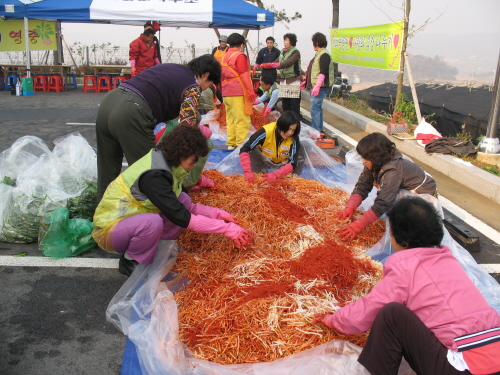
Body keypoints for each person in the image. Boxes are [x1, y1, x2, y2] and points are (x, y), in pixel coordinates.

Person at [314, 196, 500, 375]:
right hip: (493, 358)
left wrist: (334, 319)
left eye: (391, 234)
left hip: (463, 368)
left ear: (404, 240)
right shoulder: (449, 261)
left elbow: (370, 308)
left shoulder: (406, 266)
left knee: (392, 314)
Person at [93, 125, 252, 277]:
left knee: (182, 198)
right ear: (181, 155)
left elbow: (185, 207)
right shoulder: (154, 176)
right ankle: (130, 260)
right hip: (110, 229)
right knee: (151, 222)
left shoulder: (169, 164)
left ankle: (162, 248)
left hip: (133, 217)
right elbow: (183, 217)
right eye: (193, 159)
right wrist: (226, 229)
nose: (195, 164)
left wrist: (217, 213)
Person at [95, 54, 221, 202]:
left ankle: (101, 217)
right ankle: (159, 216)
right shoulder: (193, 86)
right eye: (209, 84)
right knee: (152, 172)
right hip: (131, 112)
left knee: (107, 169)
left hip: (109, 103)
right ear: (205, 74)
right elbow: (186, 128)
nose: (206, 89)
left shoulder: (171, 68)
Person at [337, 132, 437, 241]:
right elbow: (363, 185)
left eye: (366, 157)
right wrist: (350, 206)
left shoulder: (393, 171)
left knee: (406, 228)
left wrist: (357, 226)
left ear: (376, 156)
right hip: (402, 191)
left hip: (421, 196)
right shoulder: (376, 162)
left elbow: (383, 202)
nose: (363, 160)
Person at [239, 111, 301, 183]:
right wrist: (247, 171)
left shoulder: (294, 138)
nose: (290, 133)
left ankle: (292, 176)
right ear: (281, 125)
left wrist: (276, 175)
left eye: (293, 130)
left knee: (304, 145)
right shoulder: (266, 132)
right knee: (258, 181)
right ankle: (259, 170)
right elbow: (245, 149)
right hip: (263, 159)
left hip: (283, 163)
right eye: (288, 129)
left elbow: (293, 162)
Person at [221, 33, 256, 150]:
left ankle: (231, 142)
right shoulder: (240, 56)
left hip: (226, 92)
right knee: (241, 119)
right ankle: (241, 144)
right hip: (237, 91)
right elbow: (244, 75)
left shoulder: (224, 56)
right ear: (241, 45)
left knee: (230, 118)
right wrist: (251, 91)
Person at [260, 33, 302, 118]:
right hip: (284, 79)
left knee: (293, 104)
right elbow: (277, 61)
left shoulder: (295, 52)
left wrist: (273, 65)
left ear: (291, 41)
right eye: (284, 40)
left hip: (292, 80)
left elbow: (287, 63)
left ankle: (296, 122)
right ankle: (287, 122)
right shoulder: (283, 51)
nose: (285, 42)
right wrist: (268, 64)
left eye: (286, 40)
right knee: (285, 104)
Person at [302, 32, 334, 132]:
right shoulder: (319, 54)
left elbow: (323, 71)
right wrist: (307, 82)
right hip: (316, 86)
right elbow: (313, 71)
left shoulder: (324, 55)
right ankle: (318, 130)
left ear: (316, 42)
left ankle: (316, 131)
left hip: (320, 87)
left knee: (314, 109)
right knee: (316, 108)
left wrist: (317, 85)